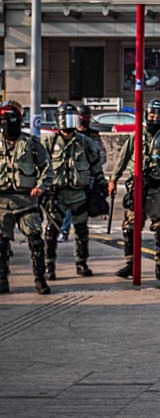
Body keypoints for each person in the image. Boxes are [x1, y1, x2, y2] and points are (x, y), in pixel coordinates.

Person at [108, 99, 160, 281]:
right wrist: (113, 180)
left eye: (159, 115)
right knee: (129, 228)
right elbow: (122, 159)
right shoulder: (136, 135)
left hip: (157, 189)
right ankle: (131, 264)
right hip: (137, 187)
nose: (155, 118)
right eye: (152, 114)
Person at [41, 104, 106, 280]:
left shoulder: (84, 141)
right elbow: (40, 166)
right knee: (51, 231)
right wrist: (41, 188)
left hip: (79, 193)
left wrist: (102, 183)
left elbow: (95, 163)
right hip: (57, 194)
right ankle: (49, 265)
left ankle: (81, 262)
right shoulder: (49, 142)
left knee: (81, 230)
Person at [0, 101, 54, 294]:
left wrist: (41, 187)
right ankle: (2, 279)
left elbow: (47, 168)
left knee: (36, 240)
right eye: (4, 120)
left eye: (11, 120)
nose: (7, 124)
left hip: (26, 201)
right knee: (1, 243)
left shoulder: (31, 143)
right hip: (2, 202)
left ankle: (40, 279)